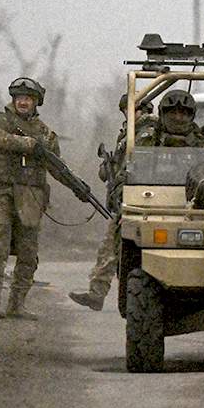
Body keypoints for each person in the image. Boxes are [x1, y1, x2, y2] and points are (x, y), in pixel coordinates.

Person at [68, 90, 204, 310]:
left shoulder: (201, 145)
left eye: (183, 113)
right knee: (114, 246)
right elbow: (127, 171)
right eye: (173, 113)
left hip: (188, 208)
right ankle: (100, 293)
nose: (178, 118)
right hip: (147, 203)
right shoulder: (145, 139)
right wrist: (120, 192)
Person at [0, 77, 89, 319]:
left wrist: (77, 187)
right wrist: (28, 144)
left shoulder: (45, 133)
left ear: (36, 102)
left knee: (28, 253)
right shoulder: (1, 119)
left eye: (28, 99)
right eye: (19, 98)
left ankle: (17, 304)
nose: (23, 102)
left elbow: (56, 166)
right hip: (2, 194)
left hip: (30, 199)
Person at [68, 95, 155, 310]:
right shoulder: (128, 133)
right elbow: (119, 167)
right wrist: (109, 168)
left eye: (135, 109)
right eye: (126, 110)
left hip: (140, 200)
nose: (130, 114)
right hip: (125, 199)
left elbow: (139, 165)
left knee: (119, 250)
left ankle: (123, 297)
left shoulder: (147, 132)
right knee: (109, 248)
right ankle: (97, 294)